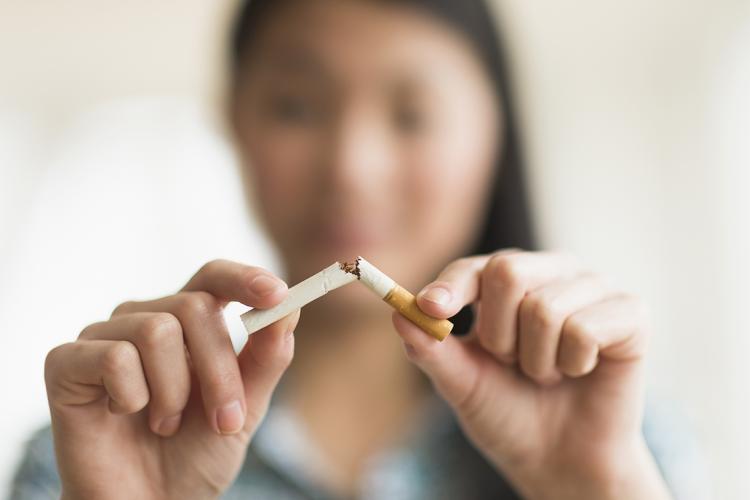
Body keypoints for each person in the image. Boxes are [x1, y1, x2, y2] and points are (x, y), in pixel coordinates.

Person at [11, 0, 708, 498]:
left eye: (412, 115)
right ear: (233, 119)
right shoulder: (102, 445)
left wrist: (592, 487)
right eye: (296, 106)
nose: (351, 166)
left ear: (493, 131)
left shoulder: (623, 442)